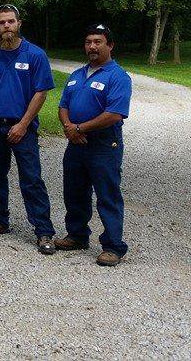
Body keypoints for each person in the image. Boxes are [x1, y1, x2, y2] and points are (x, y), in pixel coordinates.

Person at [0, 4, 57, 255]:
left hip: (23, 128)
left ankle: (43, 231)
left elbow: (41, 92)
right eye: (1, 22)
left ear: (19, 23)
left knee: (31, 180)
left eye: (10, 21)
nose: (6, 26)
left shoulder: (35, 55)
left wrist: (23, 124)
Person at [56, 24, 132, 267]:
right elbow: (63, 106)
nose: (92, 46)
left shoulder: (118, 76)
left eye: (98, 42)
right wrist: (70, 127)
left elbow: (115, 114)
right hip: (76, 142)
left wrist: (80, 128)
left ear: (110, 45)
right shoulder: (77, 75)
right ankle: (77, 235)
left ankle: (113, 246)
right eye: (89, 42)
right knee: (74, 191)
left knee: (107, 195)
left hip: (103, 143)